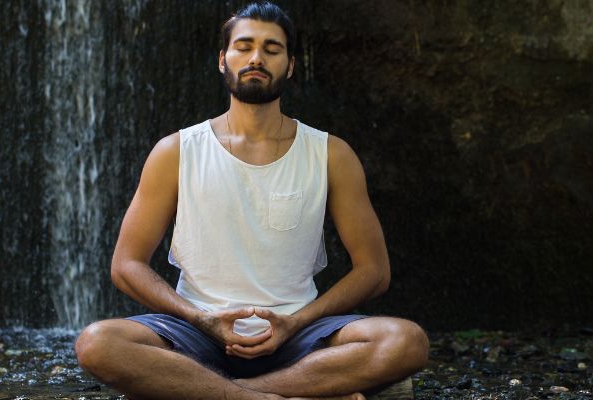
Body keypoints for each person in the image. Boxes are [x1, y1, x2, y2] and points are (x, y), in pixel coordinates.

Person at [74, 2, 428, 399]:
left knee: (406, 341)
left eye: (272, 49)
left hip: (299, 334)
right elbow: (126, 265)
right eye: (244, 46)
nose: (257, 57)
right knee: (97, 342)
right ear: (223, 60)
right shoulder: (176, 151)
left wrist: (297, 323)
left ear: (291, 65)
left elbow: (374, 270)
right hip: (197, 333)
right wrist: (202, 319)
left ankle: (224, 393)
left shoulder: (331, 154)